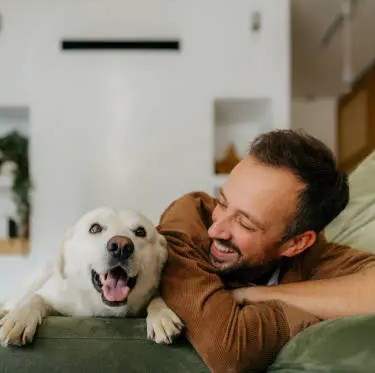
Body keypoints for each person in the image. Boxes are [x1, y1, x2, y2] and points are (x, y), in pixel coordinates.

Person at [157, 130, 375, 373]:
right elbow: (229, 351)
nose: (216, 230)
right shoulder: (191, 218)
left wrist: (254, 295)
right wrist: (306, 315)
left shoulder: (316, 257)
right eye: (222, 203)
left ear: (297, 244)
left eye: (245, 223)